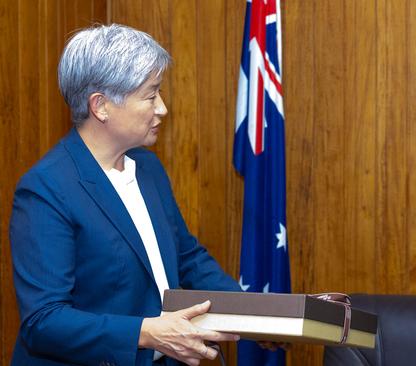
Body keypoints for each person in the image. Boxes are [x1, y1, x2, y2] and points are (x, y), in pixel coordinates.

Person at [10, 24, 242, 366]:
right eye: (150, 96)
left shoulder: (147, 168)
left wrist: (257, 314)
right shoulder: (45, 190)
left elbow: (187, 258)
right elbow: (44, 321)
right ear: (101, 107)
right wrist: (146, 333)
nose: (162, 108)